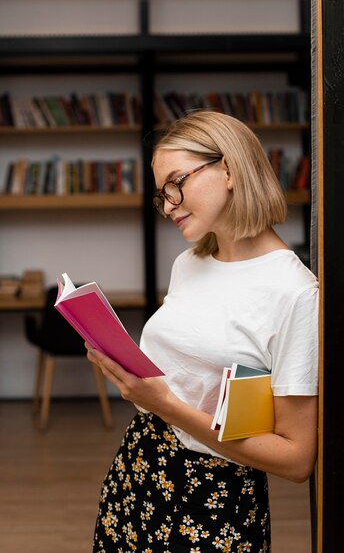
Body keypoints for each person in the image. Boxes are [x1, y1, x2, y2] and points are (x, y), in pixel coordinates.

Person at [85, 110, 318, 553]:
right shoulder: (189, 263)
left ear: (228, 168)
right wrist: (127, 372)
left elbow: (296, 458)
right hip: (139, 469)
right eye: (161, 194)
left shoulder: (295, 293)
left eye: (177, 182)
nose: (169, 204)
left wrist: (166, 405)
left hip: (214, 499)